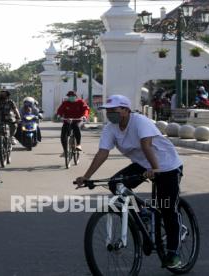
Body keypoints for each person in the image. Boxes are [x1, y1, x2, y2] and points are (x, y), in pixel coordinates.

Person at [74, 94, 184, 269]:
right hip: (143, 164)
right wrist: (86, 176)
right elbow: (102, 153)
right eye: (107, 110)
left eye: (113, 110)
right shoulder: (111, 128)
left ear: (125, 110)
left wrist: (155, 170)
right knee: (115, 183)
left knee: (167, 208)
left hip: (166, 164)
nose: (109, 113)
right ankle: (143, 213)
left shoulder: (140, 121)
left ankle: (173, 252)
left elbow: (146, 145)